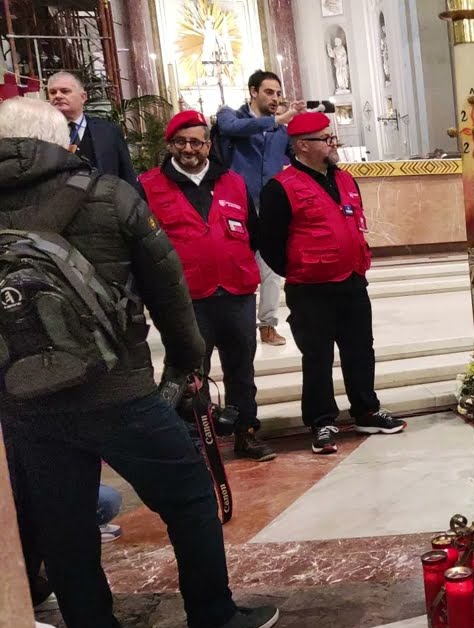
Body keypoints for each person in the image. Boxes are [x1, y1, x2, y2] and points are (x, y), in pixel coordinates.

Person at [0, 97, 278, 628]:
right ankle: (212, 618)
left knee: (63, 524)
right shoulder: (108, 195)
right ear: (62, 140)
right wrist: (184, 367)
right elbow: (169, 290)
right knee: (188, 497)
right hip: (117, 387)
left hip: (25, 399)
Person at [258, 112, 407, 454]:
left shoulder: (345, 180)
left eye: (332, 137)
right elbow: (269, 243)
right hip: (310, 288)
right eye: (326, 139)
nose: (333, 143)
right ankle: (322, 421)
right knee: (318, 357)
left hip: (352, 281)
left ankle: (366, 411)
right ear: (302, 146)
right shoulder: (280, 188)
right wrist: (301, 268)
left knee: (360, 350)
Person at [139, 110, 276, 462]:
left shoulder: (232, 182)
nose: (189, 148)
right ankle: (193, 440)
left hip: (236, 293)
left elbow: (255, 234)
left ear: (208, 144)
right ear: (170, 144)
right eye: (181, 141)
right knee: (188, 373)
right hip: (186, 299)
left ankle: (246, 432)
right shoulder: (149, 185)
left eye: (196, 141)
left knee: (241, 370)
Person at [215, 70, 306, 348]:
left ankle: (267, 326)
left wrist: (305, 130)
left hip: (268, 206)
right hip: (235, 205)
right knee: (231, 267)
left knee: (270, 269)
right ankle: (225, 328)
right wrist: (278, 120)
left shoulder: (281, 130)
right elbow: (233, 130)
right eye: (269, 92)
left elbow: (297, 156)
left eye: (278, 93)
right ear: (253, 91)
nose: (275, 98)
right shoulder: (230, 115)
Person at [46, 72, 136, 188]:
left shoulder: (109, 131)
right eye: (52, 92)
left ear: (83, 97)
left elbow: (127, 174)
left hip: (103, 201)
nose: (57, 96)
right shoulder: (42, 132)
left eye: (65, 91)